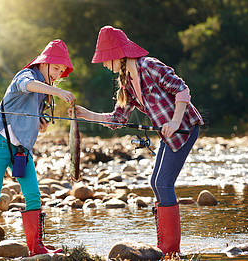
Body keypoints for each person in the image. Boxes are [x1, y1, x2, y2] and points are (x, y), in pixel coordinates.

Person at [73, 26, 204, 256]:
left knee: (164, 183)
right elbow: (118, 118)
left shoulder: (149, 66)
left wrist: (174, 122)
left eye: (105, 59)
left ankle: (171, 250)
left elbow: (182, 90)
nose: (104, 64)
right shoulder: (126, 82)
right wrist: (86, 114)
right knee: (156, 183)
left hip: (184, 129)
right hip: (168, 134)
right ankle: (165, 245)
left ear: (118, 55)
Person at [0, 39, 76, 257]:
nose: (57, 74)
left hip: (22, 150)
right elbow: (25, 86)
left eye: (62, 71)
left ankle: (36, 247)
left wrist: (42, 124)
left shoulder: (45, 90)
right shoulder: (25, 75)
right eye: (55, 68)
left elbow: (36, 121)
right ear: (43, 63)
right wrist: (57, 92)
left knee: (34, 195)